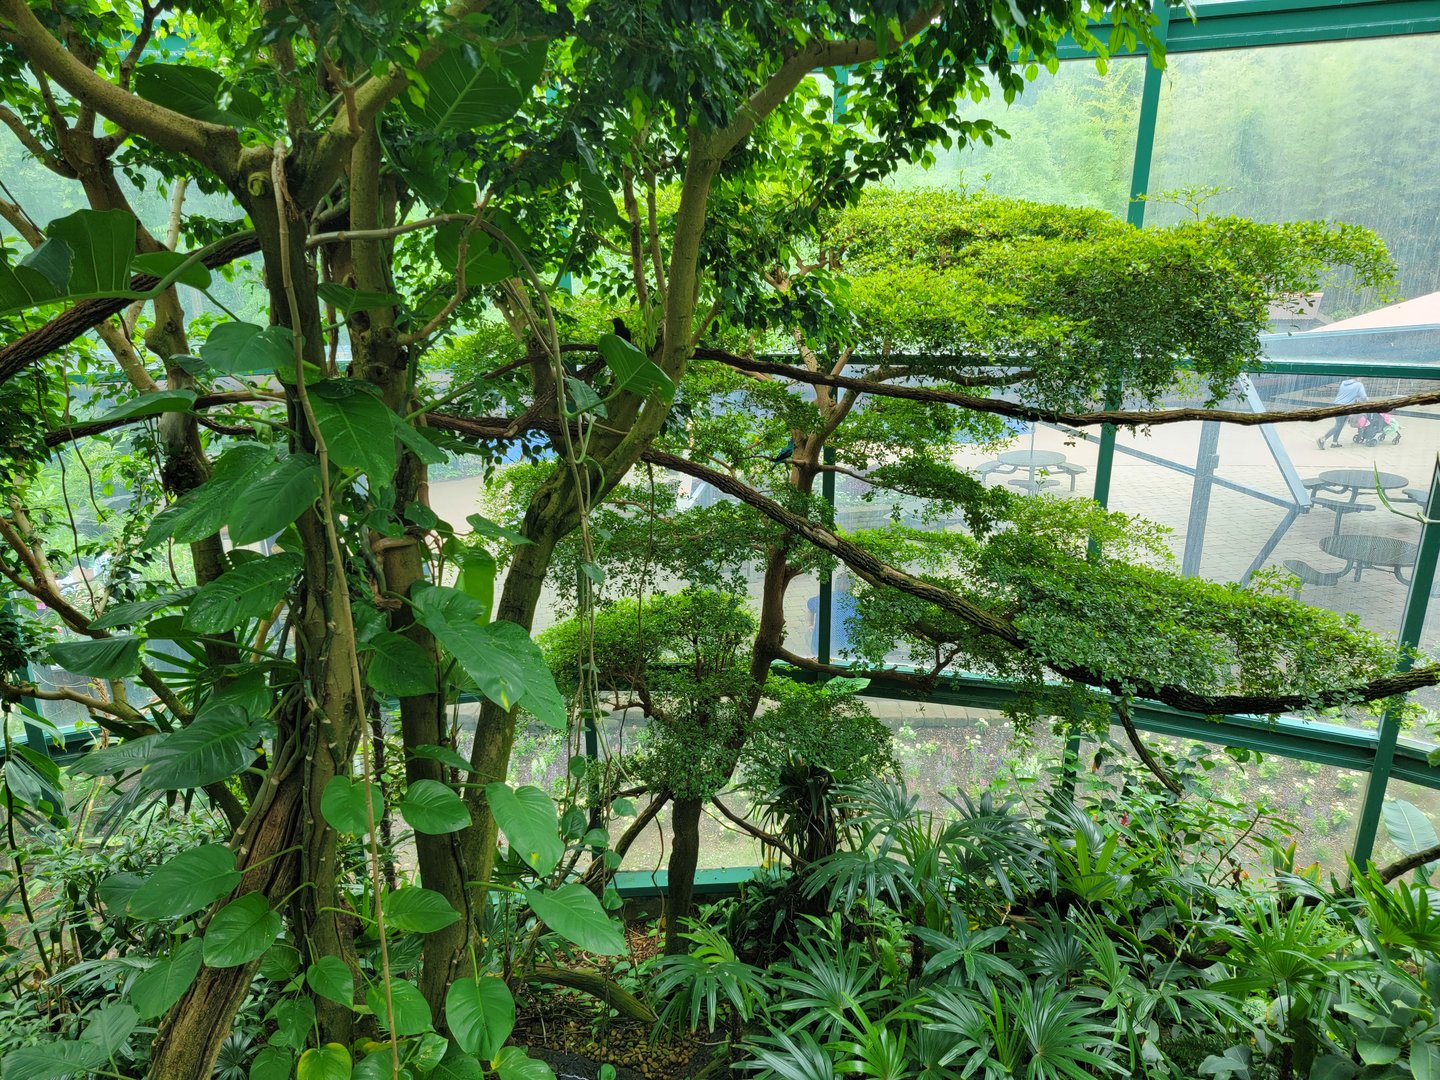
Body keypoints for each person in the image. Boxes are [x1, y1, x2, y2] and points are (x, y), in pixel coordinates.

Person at [1318, 377, 1367, 449]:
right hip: (1345, 407)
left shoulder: (1343, 382)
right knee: (1338, 426)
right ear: (1358, 377)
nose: (1362, 379)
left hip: (1336, 405)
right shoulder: (1359, 385)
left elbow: (1345, 393)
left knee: (1339, 425)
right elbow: (1364, 397)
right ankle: (1322, 439)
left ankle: (1334, 443)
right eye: (1361, 377)